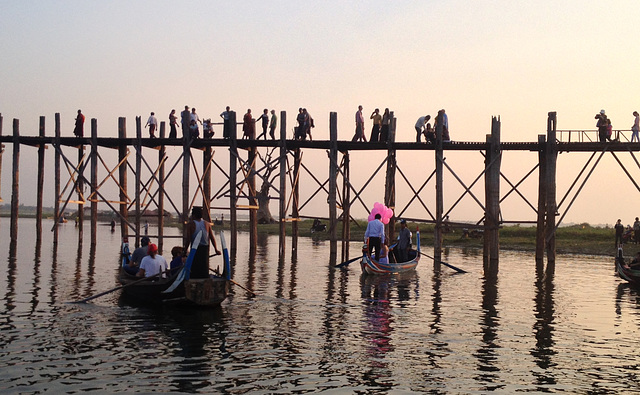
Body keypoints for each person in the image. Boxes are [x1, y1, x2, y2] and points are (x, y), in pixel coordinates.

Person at [185, 206, 221, 279]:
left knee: (195, 268)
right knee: (204, 266)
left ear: (194, 215)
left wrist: (185, 251)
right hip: (205, 249)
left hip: (195, 249)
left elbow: (188, 239)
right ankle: (205, 278)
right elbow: (212, 238)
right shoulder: (207, 224)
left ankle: (193, 279)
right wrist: (216, 249)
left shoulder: (191, 224)